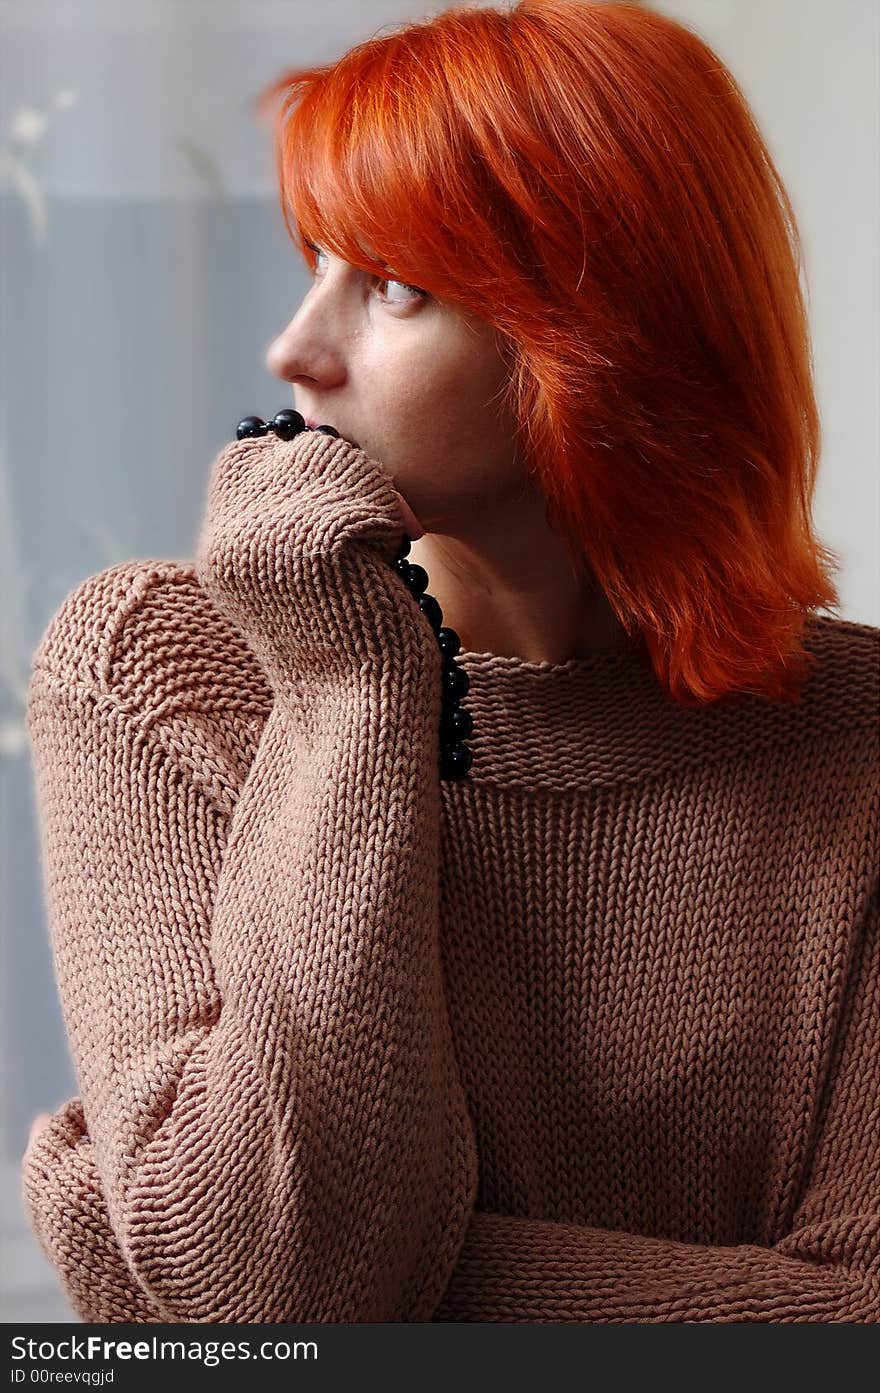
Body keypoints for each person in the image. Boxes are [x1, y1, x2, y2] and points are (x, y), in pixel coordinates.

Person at [21, 0, 878, 1323]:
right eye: (316, 263)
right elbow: (270, 1280)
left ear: (602, 338)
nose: (295, 353)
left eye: (396, 288)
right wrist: (344, 683)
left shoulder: (859, 743)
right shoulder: (152, 673)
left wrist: (144, 1238)